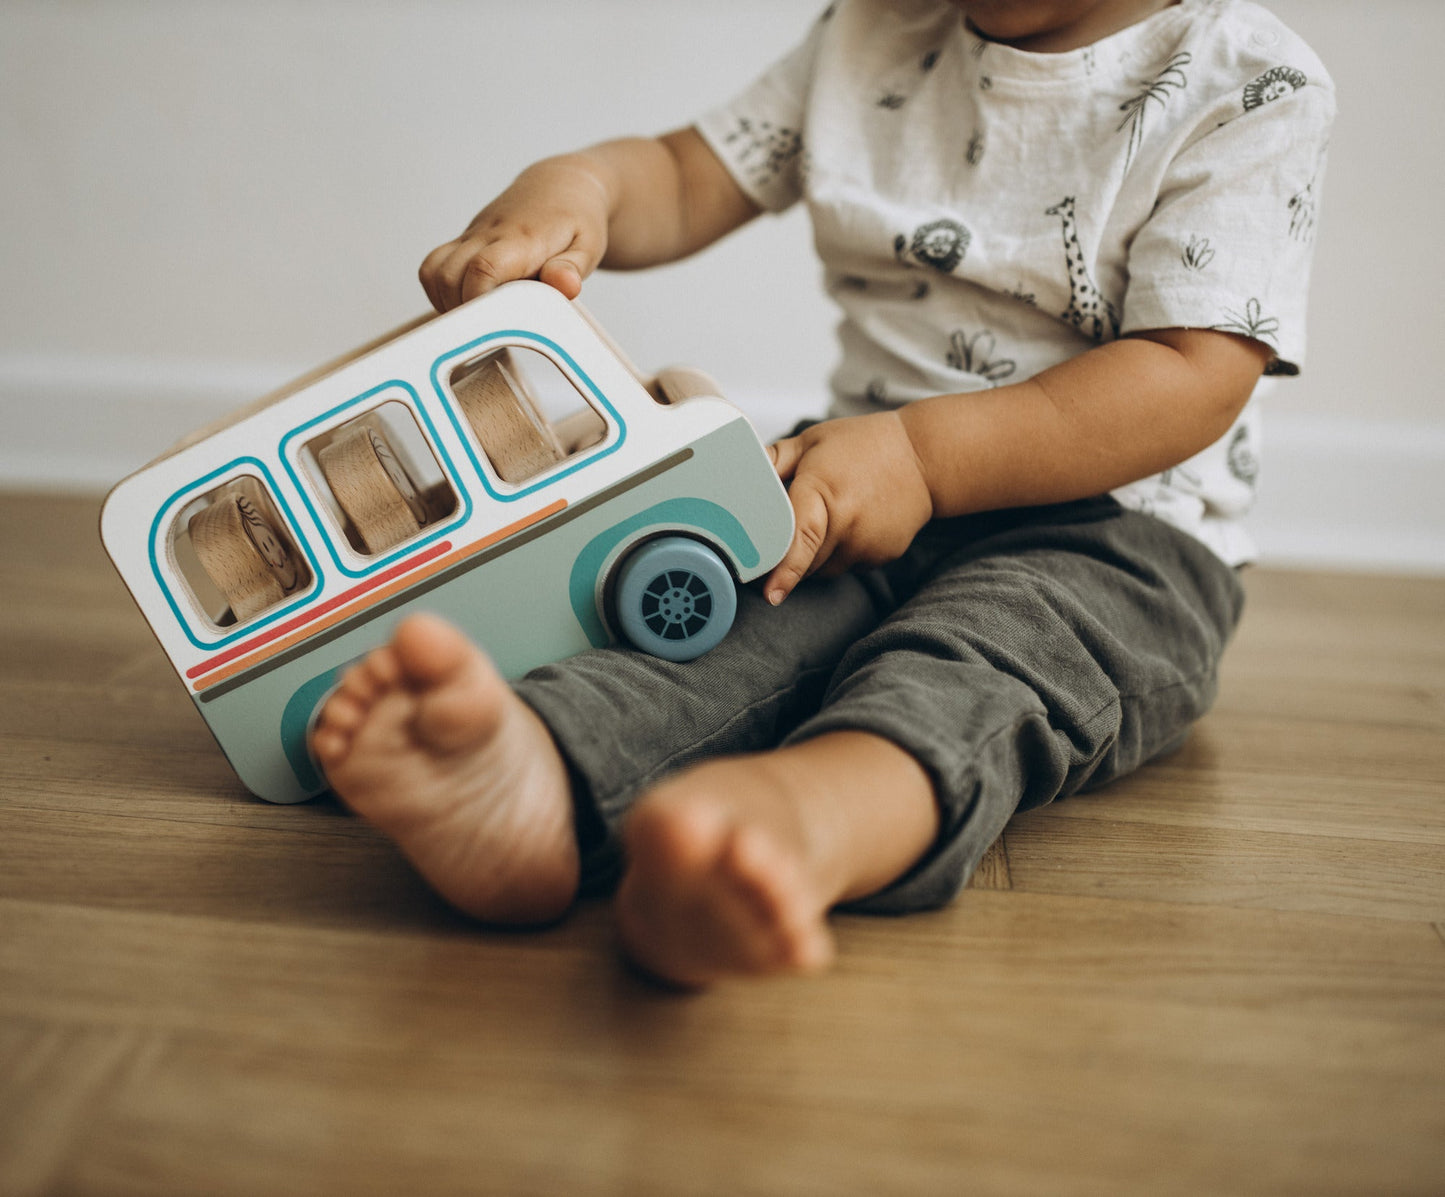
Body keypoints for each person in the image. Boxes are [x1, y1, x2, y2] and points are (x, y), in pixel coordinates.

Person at [309, 0, 1334, 986]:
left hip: (1116, 534)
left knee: (973, 670)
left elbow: (1191, 371)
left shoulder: (1246, 81)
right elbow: (683, 170)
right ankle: (538, 779)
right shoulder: (870, 29)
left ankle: (793, 829)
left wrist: (929, 460)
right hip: (859, 470)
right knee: (718, 621)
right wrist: (580, 188)